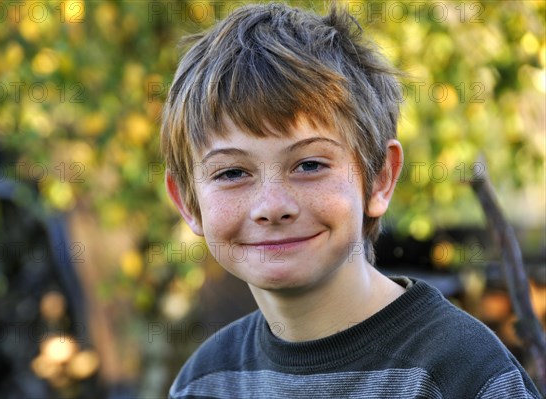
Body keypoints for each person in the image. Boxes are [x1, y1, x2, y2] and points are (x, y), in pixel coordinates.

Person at [160, 3, 541, 398]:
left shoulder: (461, 374)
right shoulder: (204, 382)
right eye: (232, 173)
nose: (272, 206)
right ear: (188, 203)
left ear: (379, 178)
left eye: (308, 165)